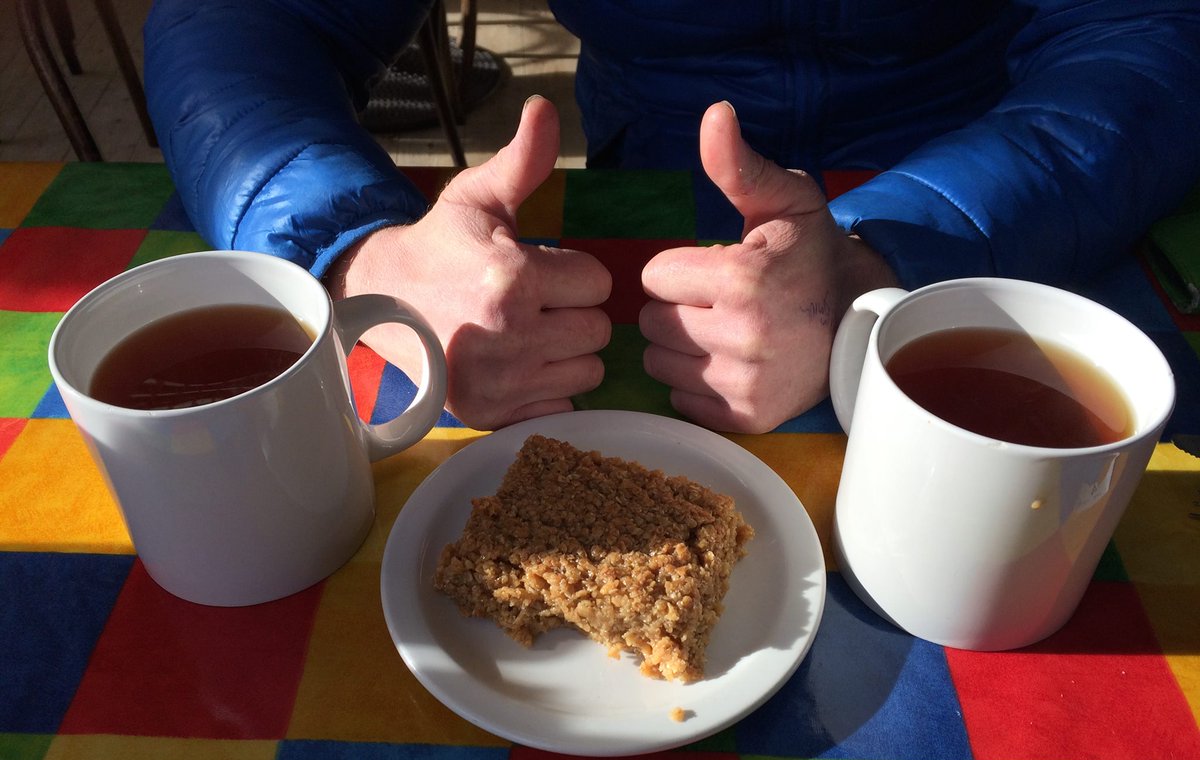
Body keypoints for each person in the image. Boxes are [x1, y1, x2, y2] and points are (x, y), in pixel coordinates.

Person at [142, 1, 1200, 433]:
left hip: (1012, 214)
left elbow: (1148, 29)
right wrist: (359, 248)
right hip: (639, 224)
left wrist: (892, 253)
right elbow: (243, 18)